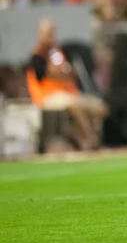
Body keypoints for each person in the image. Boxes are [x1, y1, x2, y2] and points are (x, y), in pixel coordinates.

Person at [26, 20, 108, 150]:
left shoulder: (57, 52)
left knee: (99, 107)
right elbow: (49, 73)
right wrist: (62, 72)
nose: (51, 37)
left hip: (68, 93)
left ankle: (81, 139)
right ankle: (92, 141)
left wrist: (65, 72)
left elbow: (71, 73)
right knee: (75, 106)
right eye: (47, 34)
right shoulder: (38, 55)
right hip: (47, 96)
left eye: (52, 33)